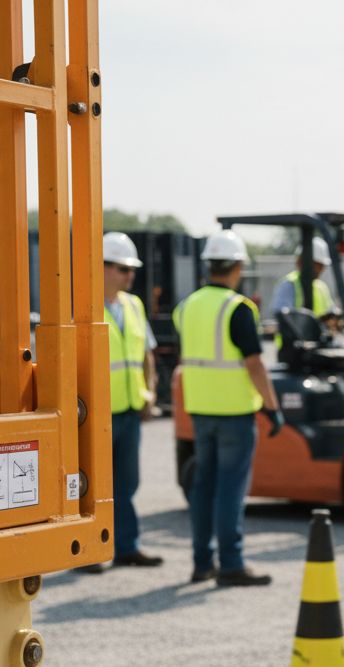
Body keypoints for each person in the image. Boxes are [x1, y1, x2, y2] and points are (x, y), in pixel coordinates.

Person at [174, 230, 284, 587]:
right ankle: (232, 564)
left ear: (209, 265)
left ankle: (201, 562)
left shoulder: (187, 307)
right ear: (237, 266)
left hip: (200, 411)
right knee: (231, 490)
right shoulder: (238, 309)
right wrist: (272, 407)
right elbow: (255, 365)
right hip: (235, 413)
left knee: (204, 486)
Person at [81, 232, 163, 573]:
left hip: (128, 409)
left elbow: (146, 354)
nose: (129, 276)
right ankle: (93, 551)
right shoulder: (82, 308)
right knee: (94, 486)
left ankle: (127, 546)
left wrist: (150, 393)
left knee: (127, 483)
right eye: (122, 268)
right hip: (96, 413)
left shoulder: (134, 305)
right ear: (100, 268)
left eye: (132, 270)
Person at [270, 236, 339, 348]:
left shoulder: (322, 287)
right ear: (302, 262)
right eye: (318, 265)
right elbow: (285, 320)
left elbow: (332, 313)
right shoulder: (288, 285)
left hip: (318, 348)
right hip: (293, 351)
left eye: (322, 266)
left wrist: (334, 319)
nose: (321, 269)